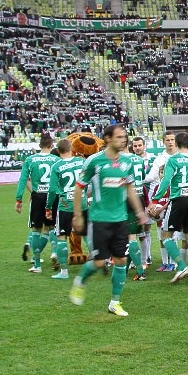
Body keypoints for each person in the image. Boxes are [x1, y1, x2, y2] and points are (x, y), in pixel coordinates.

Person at [69, 125, 147, 317]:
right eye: (119, 137)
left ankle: (115, 302)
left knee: (121, 260)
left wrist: (139, 212)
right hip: (98, 220)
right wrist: (78, 215)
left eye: (125, 137)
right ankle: (80, 281)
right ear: (108, 138)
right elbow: (79, 189)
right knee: (98, 262)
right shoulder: (94, 162)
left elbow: (129, 188)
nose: (124, 140)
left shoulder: (127, 162)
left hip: (120, 219)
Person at [152, 132, 188, 284]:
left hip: (178, 199)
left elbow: (166, 180)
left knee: (166, 236)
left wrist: (155, 200)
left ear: (175, 144)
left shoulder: (172, 160)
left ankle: (182, 266)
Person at [15, 133, 57, 272]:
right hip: (52, 196)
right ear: (51, 145)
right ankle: (55, 252)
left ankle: (37, 265)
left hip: (37, 196)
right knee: (51, 228)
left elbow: (23, 180)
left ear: (40, 145)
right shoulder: (56, 160)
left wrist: (19, 199)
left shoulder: (30, 159)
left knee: (36, 229)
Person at [45, 139, 85, 279]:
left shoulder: (56, 166)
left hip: (65, 205)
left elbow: (52, 190)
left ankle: (64, 272)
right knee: (88, 234)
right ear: (71, 148)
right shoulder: (81, 162)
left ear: (58, 150)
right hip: (83, 202)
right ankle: (100, 262)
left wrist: (48, 207)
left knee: (61, 237)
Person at [145, 131, 177, 271]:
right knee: (161, 234)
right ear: (163, 141)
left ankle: (176, 262)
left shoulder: (180, 156)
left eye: (172, 139)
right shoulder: (160, 159)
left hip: (177, 199)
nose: (170, 142)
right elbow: (152, 176)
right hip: (162, 199)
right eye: (167, 140)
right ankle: (165, 262)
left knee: (175, 234)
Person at [131, 136, 155, 266]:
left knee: (146, 228)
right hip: (137, 196)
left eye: (139, 145)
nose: (137, 148)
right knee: (135, 230)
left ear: (144, 145)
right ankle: (141, 258)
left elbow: (153, 176)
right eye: (135, 146)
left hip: (148, 196)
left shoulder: (152, 159)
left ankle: (147, 256)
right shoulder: (129, 159)